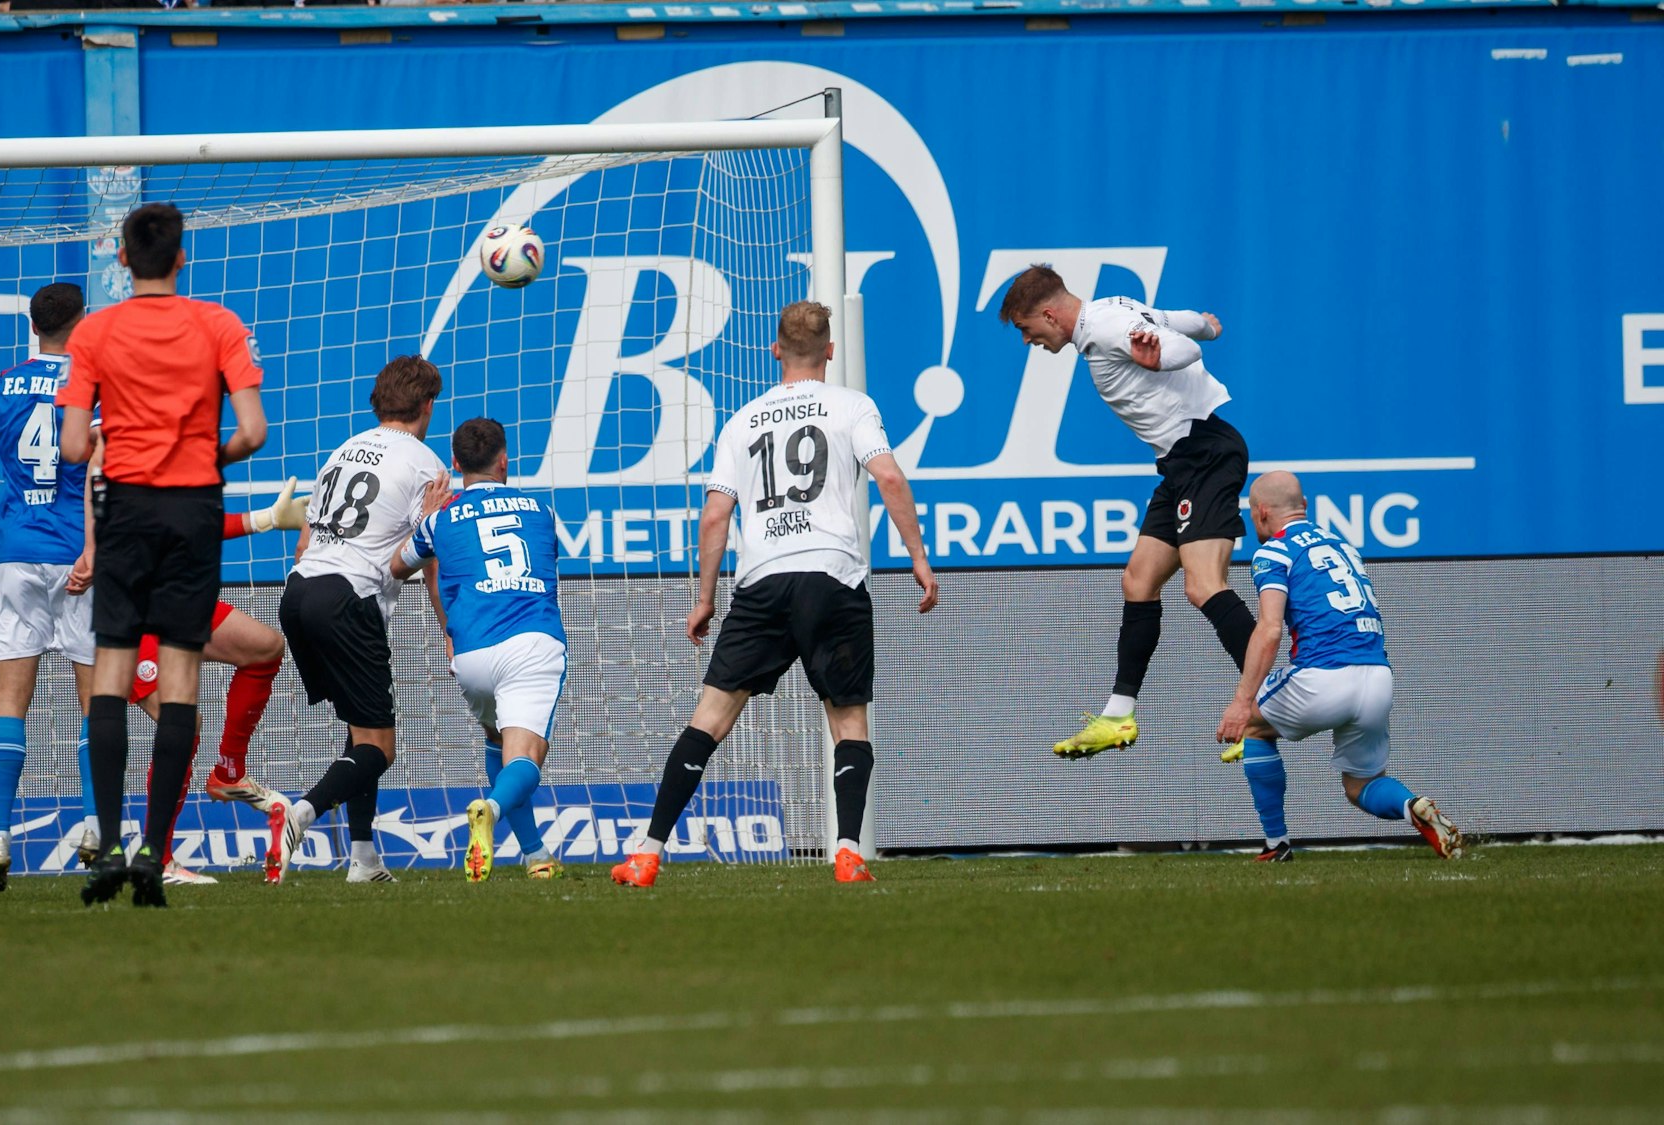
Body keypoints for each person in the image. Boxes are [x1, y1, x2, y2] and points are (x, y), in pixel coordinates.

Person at [610, 300, 937, 889]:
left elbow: (715, 515)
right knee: (849, 720)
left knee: (709, 719)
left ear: (775, 350)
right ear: (831, 351)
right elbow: (888, 476)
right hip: (833, 577)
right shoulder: (852, 405)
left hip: (761, 582)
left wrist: (706, 596)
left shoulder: (743, 420)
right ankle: (847, 852)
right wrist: (917, 557)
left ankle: (648, 852)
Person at [55, 201, 266, 908]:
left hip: (127, 507)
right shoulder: (218, 324)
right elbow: (254, 431)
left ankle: (110, 844)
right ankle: (154, 849)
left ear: (121, 258)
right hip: (194, 505)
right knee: (181, 676)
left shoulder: (95, 331)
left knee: (112, 669)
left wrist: (120, 447)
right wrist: (205, 453)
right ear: (182, 258)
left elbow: (74, 448)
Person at [996, 266, 1257, 760]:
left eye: (1028, 330)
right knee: (1139, 581)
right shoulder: (1112, 309)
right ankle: (1118, 714)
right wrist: (1205, 323)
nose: (1030, 341)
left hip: (1205, 454)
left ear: (1049, 314)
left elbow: (1184, 348)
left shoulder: (1108, 328)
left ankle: (1269, 704)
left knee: (1203, 586)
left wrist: (1169, 354)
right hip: (1180, 463)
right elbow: (1175, 320)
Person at [1216, 471, 1462, 861]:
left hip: (1325, 676)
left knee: (1251, 727)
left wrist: (1242, 701)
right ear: (1305, 507)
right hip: (1378, 678)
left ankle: (1276, 844)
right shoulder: (1344, 546)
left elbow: (1269, 630)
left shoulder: (1274, 551)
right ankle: (1412, 805)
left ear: (1261, 512)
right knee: (1360, 784)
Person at [269, 354, 448, 886]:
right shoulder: (425, 464)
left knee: (360, 729)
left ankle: (364, 859)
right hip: (346, 599)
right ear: (427, 405)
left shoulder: (343, 450)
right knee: (379, 747)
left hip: (298, 593)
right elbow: (429, 556)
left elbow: (304, 540)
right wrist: (447, 628)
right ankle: (302, 812)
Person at [0, 282, 97, 892]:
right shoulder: (95, 385)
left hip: (16, 551)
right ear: (82, 324)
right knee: (97, 698)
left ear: (34, 326)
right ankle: (96, 826)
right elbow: (99, 471)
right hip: (77, 552)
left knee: (9, 698)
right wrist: (97, 548)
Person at [386, 418, 565, 882]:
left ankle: (535, 855)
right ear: (504, 461)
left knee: (495, 738)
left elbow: (397, 567)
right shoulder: (541, 510)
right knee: (525, 757)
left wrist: (426, 521)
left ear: (456, 463)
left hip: (471, 656)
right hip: (530, 641)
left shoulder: (441, 518)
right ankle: (489, 809)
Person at [126, 490, 304, 887]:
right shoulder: (121, 470)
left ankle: (228, 771)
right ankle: (158, 858)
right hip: (131, 612)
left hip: (177, 601)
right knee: (183, 722)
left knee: (265, 647)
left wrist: (268, 517)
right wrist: (265, 520)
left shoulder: (170, 468)